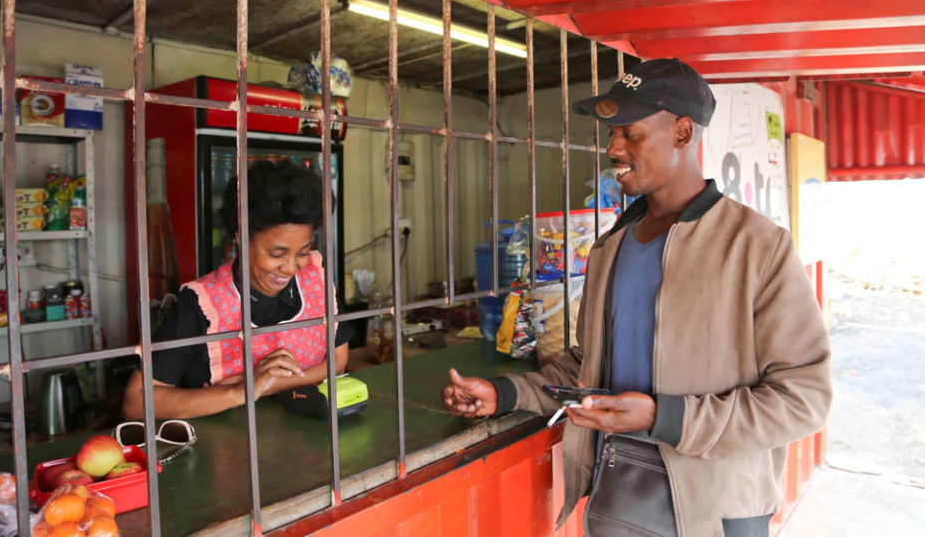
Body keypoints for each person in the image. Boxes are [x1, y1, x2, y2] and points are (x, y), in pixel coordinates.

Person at [441, 59, 831, 537]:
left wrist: (667, 417)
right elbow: (586, 369)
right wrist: (504, 393)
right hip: (616, 492)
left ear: (683, 133)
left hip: (715, 508)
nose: (613, 149)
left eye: (630, 134)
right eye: (612, 134)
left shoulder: (756, 246)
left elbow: (804, 398)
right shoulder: (612, 247)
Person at [123, 159, 350, 420]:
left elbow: (337, 362)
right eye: (277, 254)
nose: (290, 268)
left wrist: (270, 384)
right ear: (240, 239)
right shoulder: (201, 304)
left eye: (302, 251)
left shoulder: (316, 278)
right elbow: (136, 402)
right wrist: (242, 390)